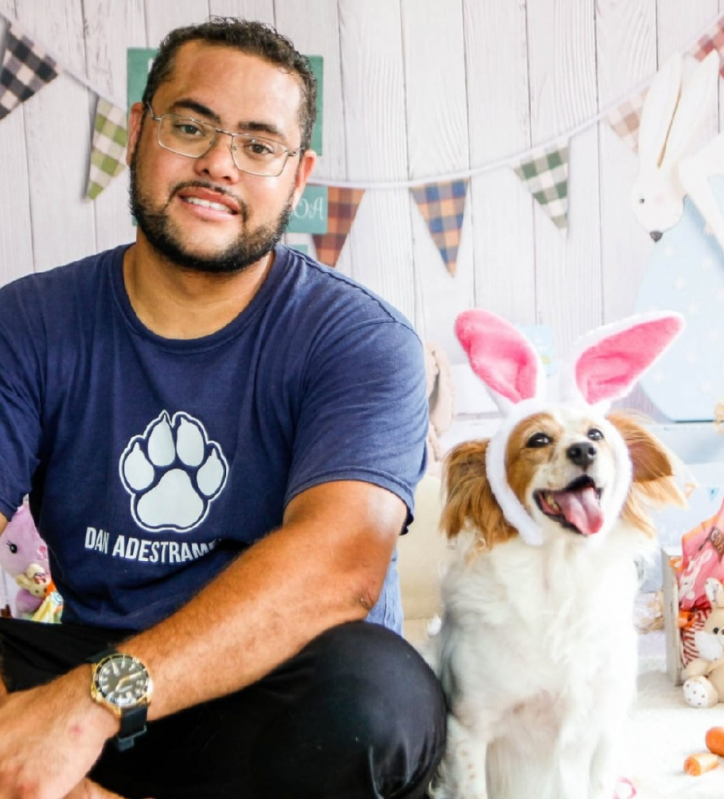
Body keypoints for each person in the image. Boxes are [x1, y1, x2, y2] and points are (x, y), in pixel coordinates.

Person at [0, 16, 446, 799]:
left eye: (258, 144)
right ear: (139, 131)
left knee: (379, 694)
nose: (217, 163)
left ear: (298, 177)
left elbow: (339, 563)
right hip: (90, 663)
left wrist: (89, 706)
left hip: (277, 695)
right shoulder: (29, 324)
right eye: (190, 124)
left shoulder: (363, 341)